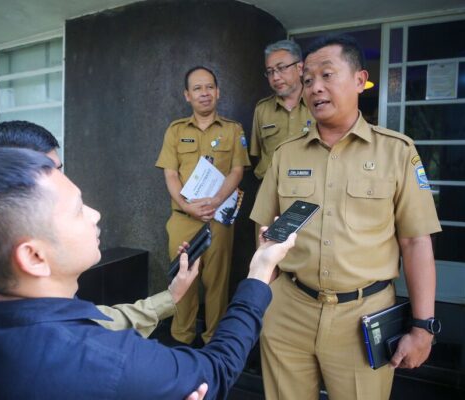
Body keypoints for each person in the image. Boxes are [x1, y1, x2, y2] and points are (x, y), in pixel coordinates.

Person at [0, 147, 295, 399]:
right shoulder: (108, 361)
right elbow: (216, 370)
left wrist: (173, 294)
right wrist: (259, 272)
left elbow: (105, 323)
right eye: (79, 210)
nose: (95, 214)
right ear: (33, 256)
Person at [250, 34, 442, 400]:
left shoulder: (396, 152)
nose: (314, 88)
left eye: (326, 75)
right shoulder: (286, 155)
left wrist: (422, 327)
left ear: (359, 80)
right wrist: (255, 305)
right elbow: (265, 237)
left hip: (363, 316)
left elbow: (416, 241)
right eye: (307, 80)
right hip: (288, 309)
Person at [0, 121, 186, 367]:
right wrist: (166, 301)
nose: (94, 215)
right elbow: (74, 333)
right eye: (46, 171)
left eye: (59, 169)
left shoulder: (0, 234)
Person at [156, 66, 250, 345]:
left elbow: (237, 170)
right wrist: (187, 207)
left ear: (218, 91)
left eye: (209, 87)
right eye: (197, 88)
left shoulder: (233, 130)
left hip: (218, 218)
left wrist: (217, 200)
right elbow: (170, 174)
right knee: (182, 279)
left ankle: (214, 339)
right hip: (183, 219)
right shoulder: (175, 131)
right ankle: (181, 337)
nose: (204, 93)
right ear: (187, 95)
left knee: (216, 283)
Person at [250, 39, 313, 180]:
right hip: (269, 190)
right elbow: (257, 155)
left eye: (282, 68)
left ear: (300, 68)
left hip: (309, 191)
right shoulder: (262, 109)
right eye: (270, 72)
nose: (275, 77)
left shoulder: (318, 104)